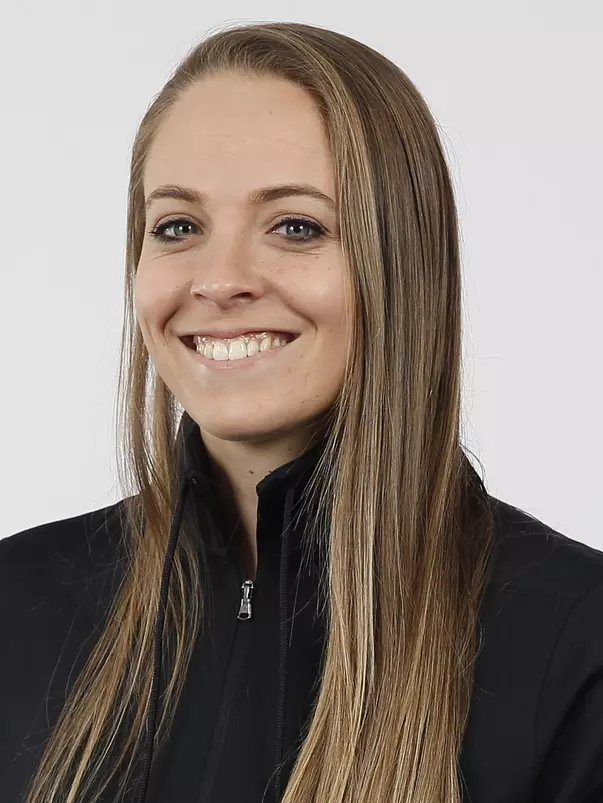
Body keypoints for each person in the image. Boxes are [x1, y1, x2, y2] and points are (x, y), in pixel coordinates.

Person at [1, 20, 602, 803]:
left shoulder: (572, 643)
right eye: (178, 226)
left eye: (295, 226)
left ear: (400, 264)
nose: (219, 280)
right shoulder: (17, 604)